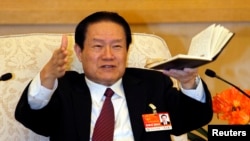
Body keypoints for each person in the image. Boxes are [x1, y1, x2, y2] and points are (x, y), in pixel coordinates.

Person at [15, 11, 213, 141]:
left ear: (127, 50)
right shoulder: (64, 89)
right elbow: (36, 121)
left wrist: (188, 83)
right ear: (79, 51)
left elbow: (188, 120)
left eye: (117, 46)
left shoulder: (152, 85)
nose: (108, 55)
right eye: (98, 46)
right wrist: (47, 78)